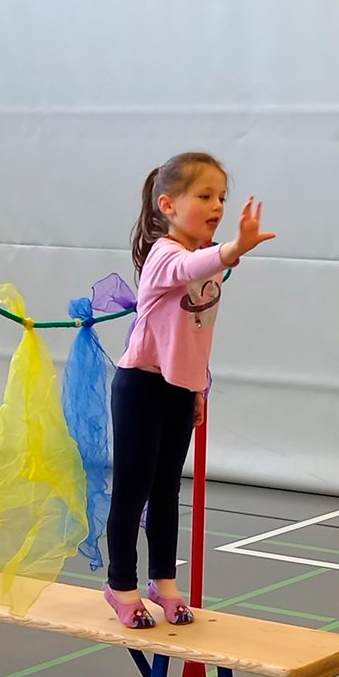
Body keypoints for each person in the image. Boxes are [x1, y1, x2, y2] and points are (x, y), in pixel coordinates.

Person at [103, 152, 273, 628]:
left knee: (166, 491)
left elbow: (194, 335)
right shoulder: (165, 255)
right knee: (133, 489)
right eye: (204, 196)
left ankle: (163, 582)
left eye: (221, 197)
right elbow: (189, 268)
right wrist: (235, 247)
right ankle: (120, 585)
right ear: (168, 205)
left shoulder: (205, 258)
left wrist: (196, 389)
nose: (217, 205)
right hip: (141, 386)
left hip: (179, 388)